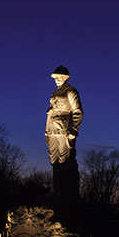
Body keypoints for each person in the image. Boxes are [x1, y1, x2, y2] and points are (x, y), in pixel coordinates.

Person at [45, 65, 83, 201]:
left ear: (65, 78)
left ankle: (65, 190)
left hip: (64, 130)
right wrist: (47, 132)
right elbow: (49, 113)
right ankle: (56, 189)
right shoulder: (54, 93)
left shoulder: (71, 92)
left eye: (58, 77)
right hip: (52, 130)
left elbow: (77, 112)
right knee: (54, 160)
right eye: (55, 77)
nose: (56, 80)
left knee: (65, 160)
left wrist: (74, 130)